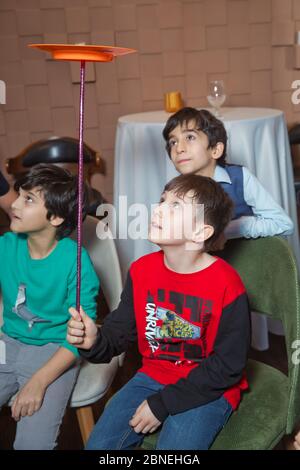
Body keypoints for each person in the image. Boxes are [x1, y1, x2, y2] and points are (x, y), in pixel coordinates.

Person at [67, 174, 251, 450]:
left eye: (175, 206)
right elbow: (120, 331)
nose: (159, 209)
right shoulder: (142, 270)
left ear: (201, 232)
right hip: (152, 376)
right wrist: (94, 341)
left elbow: (228, 367)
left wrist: (163, 404)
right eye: (162, 200)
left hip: (209, 387)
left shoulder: (227, 284)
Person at [0, 164, 99, 450]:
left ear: (55, 217)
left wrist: (38, 381)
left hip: (56, 352)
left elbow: (78, 340)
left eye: (28, 199)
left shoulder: (76, 262)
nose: (14, 204)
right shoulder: (7, 246)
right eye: (18, 195)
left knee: (32, 444)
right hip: (8, 342)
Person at [162, 107, 294, 240]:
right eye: (173, 142)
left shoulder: (240, 178)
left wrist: (232, 228)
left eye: (190, 137)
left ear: (215, 149)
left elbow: (283, 223)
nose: (179, 148)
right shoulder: (173, 191)